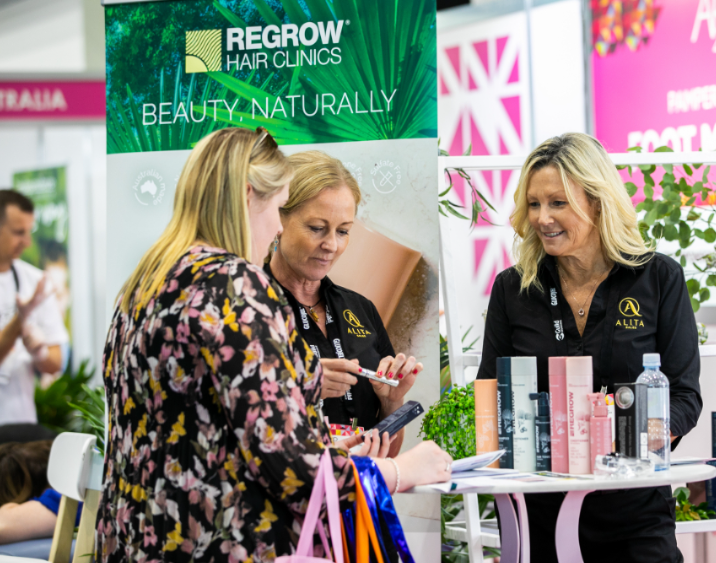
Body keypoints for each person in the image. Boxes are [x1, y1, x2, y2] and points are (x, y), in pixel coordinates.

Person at [97, 127, 451, 563]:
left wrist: (324, 443)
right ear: (249, 196)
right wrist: (399, 471)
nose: (277, 228)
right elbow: (291, 472)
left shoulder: (146, 282)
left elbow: (203, 431)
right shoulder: (235, 285)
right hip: (217, 543)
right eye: (280, 209)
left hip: (139, 537)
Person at [476, 133, 702, 563]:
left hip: (635, 511)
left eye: (558, 203)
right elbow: (492, 392)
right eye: (534, 204)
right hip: (539, 513)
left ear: (597, 202)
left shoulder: (658, 278)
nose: (542, 218)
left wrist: (631, 440)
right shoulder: (513, 289)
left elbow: (684, 396)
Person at [265, 151, 421, 458]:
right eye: (316, 228)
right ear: (278, 219)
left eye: (343, 231)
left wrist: (391, 401)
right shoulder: (248, 309)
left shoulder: (361, 309)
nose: (331, 245)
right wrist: (302, 388)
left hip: (359, 486)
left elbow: (388, 454)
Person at [0, 190, 66, 426]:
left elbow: (56, 363)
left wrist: (40, 352)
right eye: (19, 232)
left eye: (29, 232)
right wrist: (21, 319)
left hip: (22, 425)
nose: (27, 242)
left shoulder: (35, 282)